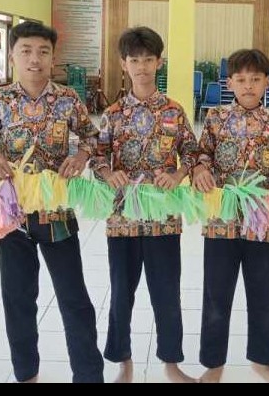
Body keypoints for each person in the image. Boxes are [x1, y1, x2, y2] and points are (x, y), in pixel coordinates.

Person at [0, 21, 104, 383]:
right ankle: (26, 374)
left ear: (52, 57)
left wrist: (81, 156)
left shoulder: (67, 99)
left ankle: (89, 376)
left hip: (56, 213)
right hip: (11, 215)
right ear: (12, 56)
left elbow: (92, 136)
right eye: (26, 51)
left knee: (74, 298)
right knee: (18, 299)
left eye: (43, 52)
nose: (35, 59)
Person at [90, 26, 199, 383]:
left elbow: (193, 152)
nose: (142, 67)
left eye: (148, 60)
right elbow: (97, 156)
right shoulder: (113, 113)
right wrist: (108, 174)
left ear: (159, 62)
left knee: (166, 292)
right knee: (121, 294)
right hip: (122, 219)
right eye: (134, 60)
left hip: (163, 218)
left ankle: (171, 363)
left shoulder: (174, 111)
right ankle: (123, 361)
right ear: (124, 64)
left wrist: (179, 174)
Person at [192, 48, 269, 383]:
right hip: (220, 221)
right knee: (216, 296)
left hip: (260, 221)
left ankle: (261, 361)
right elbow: (202, 155)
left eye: (255, 79)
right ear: (229, 83)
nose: (248, 86)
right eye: (241, 79)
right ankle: (213, 364)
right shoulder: (215, 117)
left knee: (262, 295)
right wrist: (200, 170)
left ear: (267, 82)